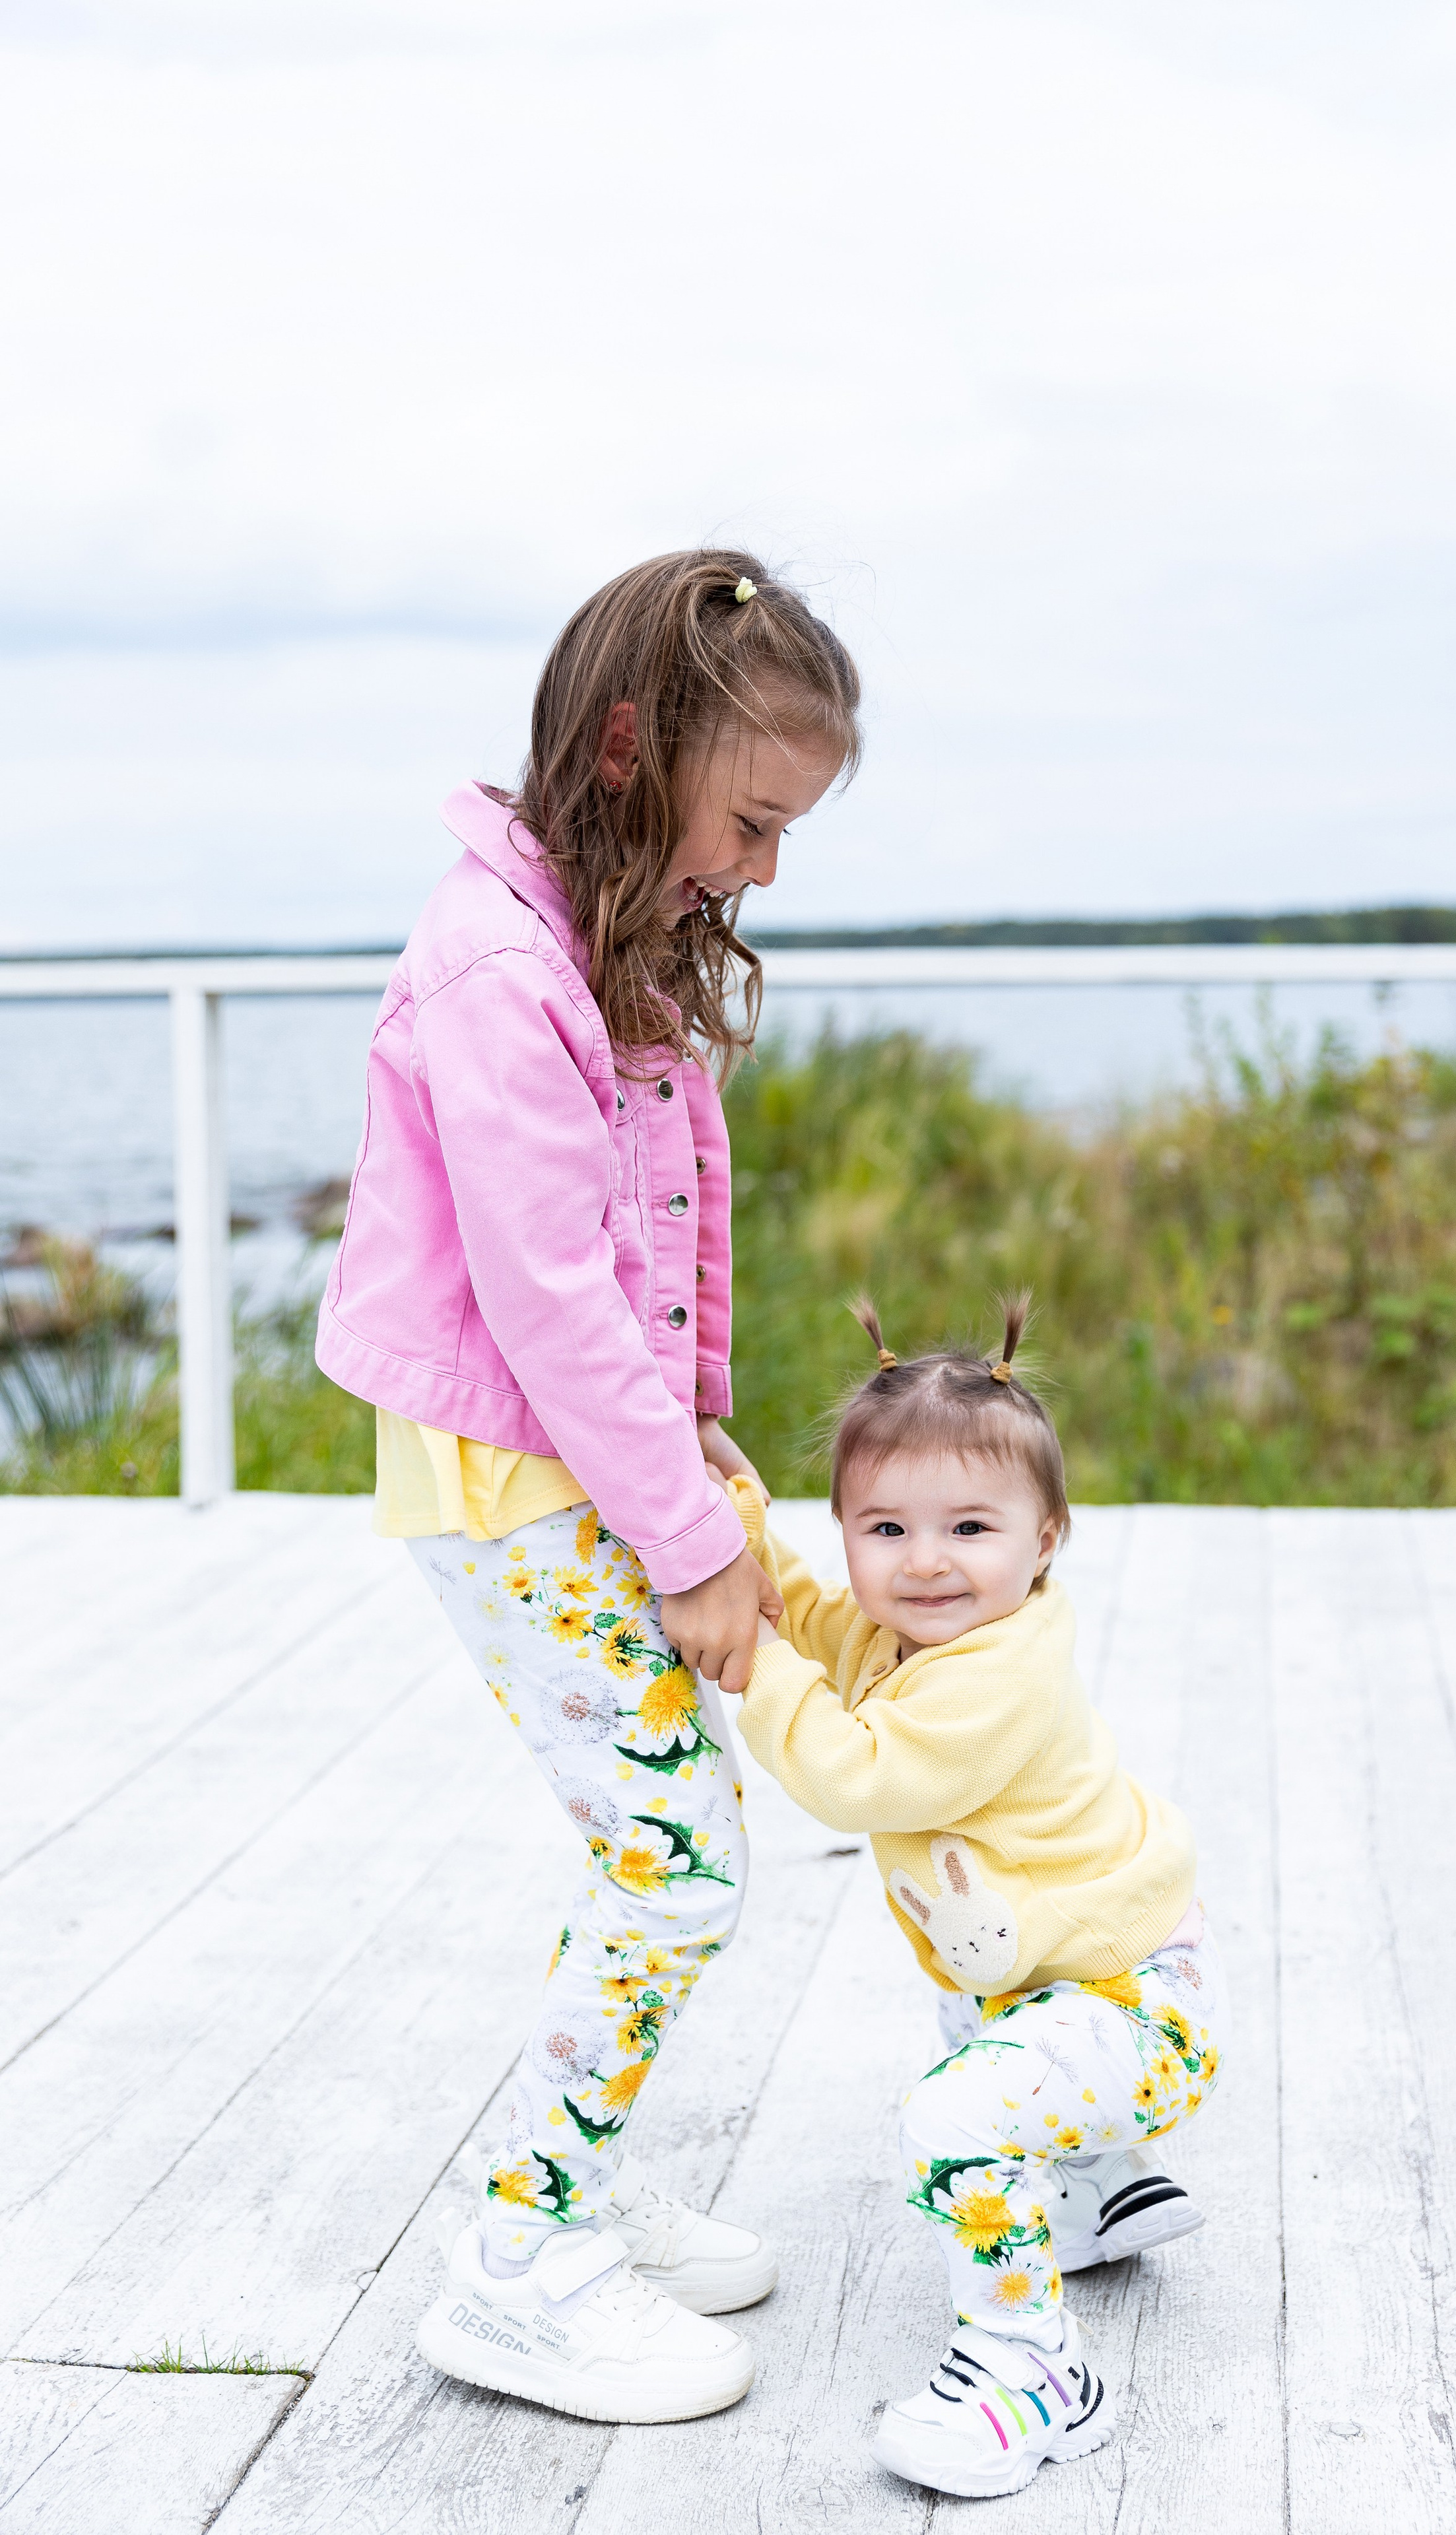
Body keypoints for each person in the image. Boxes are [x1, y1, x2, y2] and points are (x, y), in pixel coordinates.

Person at [315, 551, 861, 2423]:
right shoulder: (493, 965)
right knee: (678, 1865)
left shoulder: (591, 938)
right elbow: (545, 1295)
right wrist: (694, 1542)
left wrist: (698, 1424)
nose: (767, 870)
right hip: (510, 1473)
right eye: (756, 820)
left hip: (577, 1458)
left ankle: (583, 2194)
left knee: (659, 1848)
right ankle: (522, 2258)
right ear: (636, 746)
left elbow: (656, 1224)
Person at [717, 1297, 1228, 2499]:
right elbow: (822, 1622)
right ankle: (1104, 2187)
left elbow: (855, 1773)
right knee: (980, 2014)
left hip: (1137, 2006)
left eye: (969, 1527)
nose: (927, 1559)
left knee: (956, 2121)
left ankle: (1031, 2369)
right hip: (1065, 1971)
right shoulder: (916, 1634)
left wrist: (753, 1657)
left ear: (1048, 1537)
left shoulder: (995, 1674)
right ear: (844, 1529)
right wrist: (735, 1522)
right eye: (885, 1527)